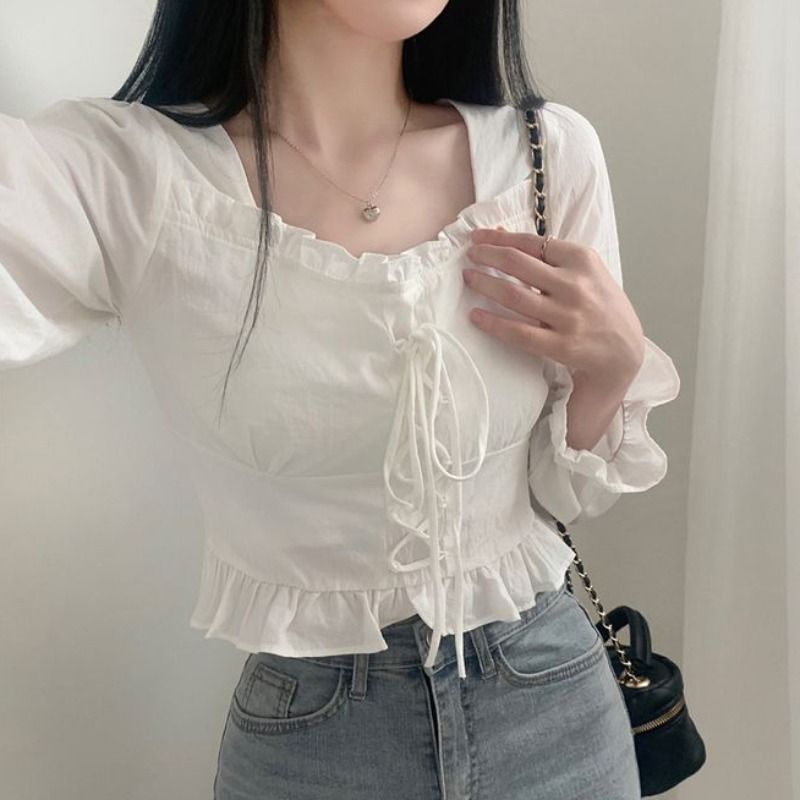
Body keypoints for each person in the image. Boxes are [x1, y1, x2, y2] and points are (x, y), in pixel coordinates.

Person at [0, 1, 681, 798]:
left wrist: (611, 368)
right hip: (314, 742)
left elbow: (559, 496)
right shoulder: (130, 175)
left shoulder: (545, 153)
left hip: (552, 700)